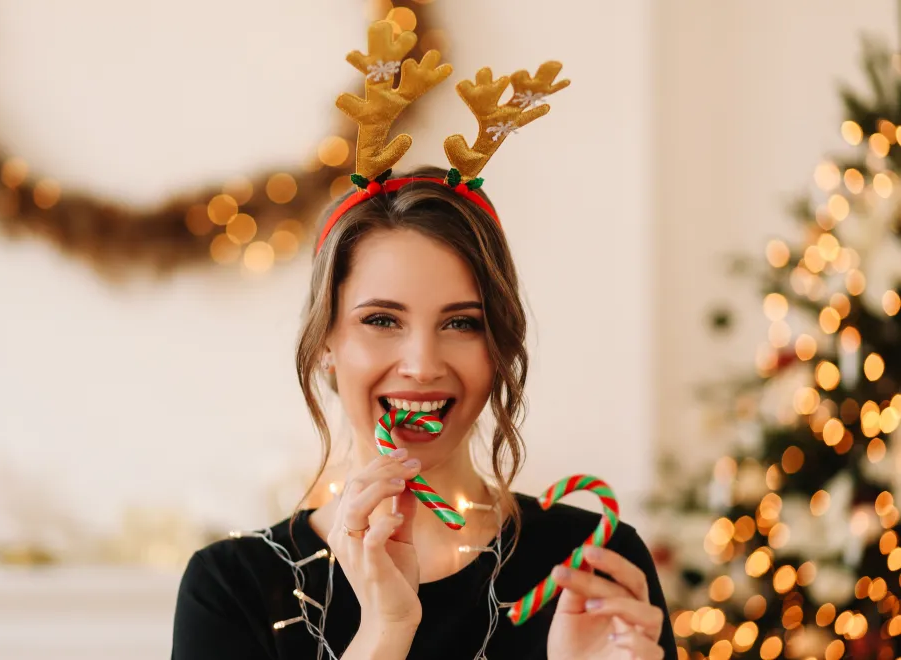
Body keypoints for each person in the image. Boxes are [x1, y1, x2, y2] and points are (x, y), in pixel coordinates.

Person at [172, 20, 677, 660]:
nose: (421, 364)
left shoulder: (593, 565)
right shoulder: (236, 588)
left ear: (499, 347)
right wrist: (385, 632)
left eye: (461, 323)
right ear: (325, 341)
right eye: (381, 320)